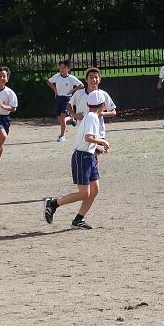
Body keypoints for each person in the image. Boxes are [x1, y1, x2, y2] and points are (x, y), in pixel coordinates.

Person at [44, 90, 111, 230]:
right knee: (84, 193)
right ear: (103, 105)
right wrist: (103, 142)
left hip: (89, 156)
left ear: (88, 104)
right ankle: (53, 203)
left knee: (94, 189)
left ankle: (79, 219)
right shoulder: (92, 117)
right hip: (82, 157)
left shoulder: (90, 116)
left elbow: (87, 140)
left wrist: (98, 147)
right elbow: (88, 138)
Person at [67, 67, 116, 141]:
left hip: (98, 132)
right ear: (86, 79)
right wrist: (74, 115)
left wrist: (101, 114)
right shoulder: (79, 93)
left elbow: (113, 112)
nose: (94, 80)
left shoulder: (103, 94)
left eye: (96, 77)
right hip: (82, 132)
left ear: (99, 79)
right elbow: (69, 105)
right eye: (91, 77)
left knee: (99, 148)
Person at [47, 59, 83, 142]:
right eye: (61, 67)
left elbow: (81, 85)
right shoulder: (57, 76)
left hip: (67, 99)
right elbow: (49, 82)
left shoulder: (71, 78)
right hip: (58, 98)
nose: (62, 69)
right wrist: (55, 90)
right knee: (60, 119)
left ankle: (62, 135)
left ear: (68, 68)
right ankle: (71, 118)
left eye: (64, 67)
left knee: (62, 116)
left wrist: (73, 90)